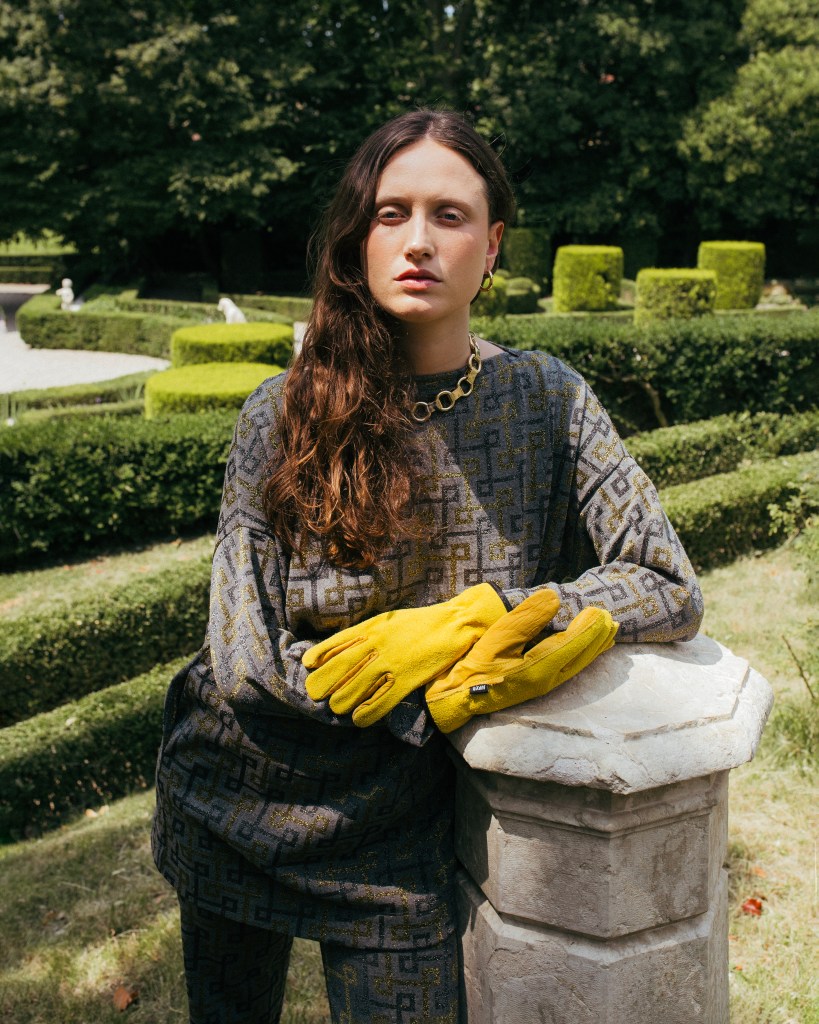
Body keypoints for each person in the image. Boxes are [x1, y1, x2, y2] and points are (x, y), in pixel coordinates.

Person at [152, 108, 703, 1023]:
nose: (417, 241)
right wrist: (432, 698)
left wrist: (488, 617)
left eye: (449, 216)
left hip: (398, 835)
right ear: (356, 241)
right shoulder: (280, 414)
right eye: (390, 213)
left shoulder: (548, 401)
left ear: (492, 247)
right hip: (235, 799)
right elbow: (247, 663)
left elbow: (666, 581)